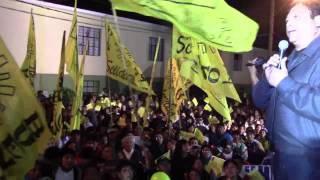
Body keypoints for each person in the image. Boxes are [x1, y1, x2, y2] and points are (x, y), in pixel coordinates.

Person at [248, 1, 320, 179]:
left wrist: (284, 82)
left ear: (317, 21)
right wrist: (268, 78)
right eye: (287, 19)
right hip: (279, 157)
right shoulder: (289, 59)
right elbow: (260, 100)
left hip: (308, 162)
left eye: (297, 17)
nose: (288, 23)